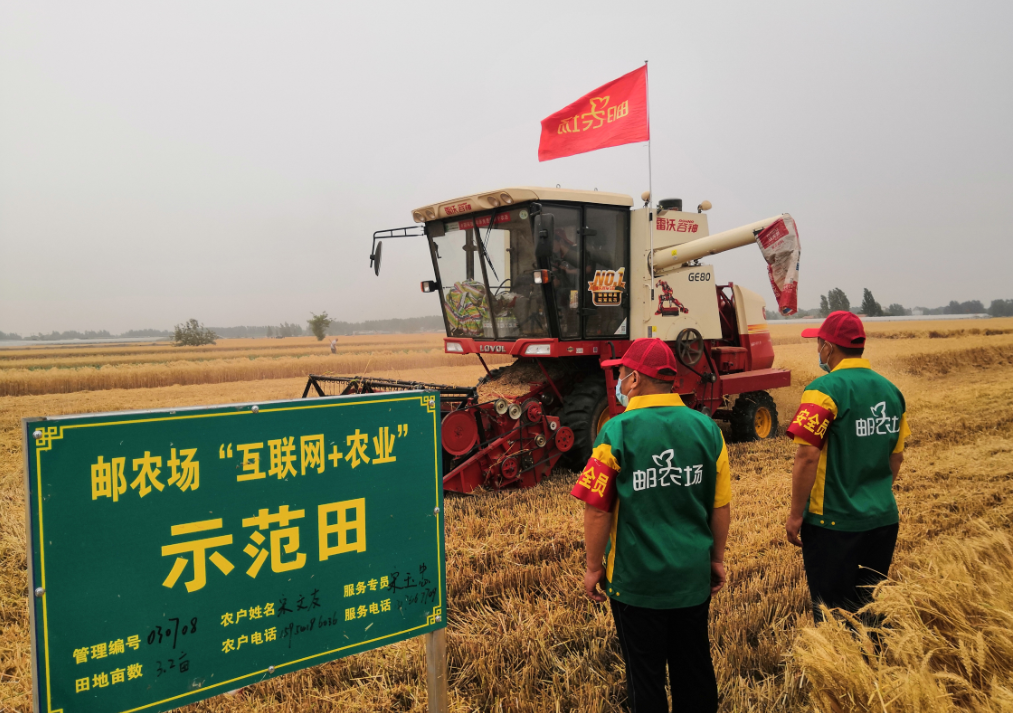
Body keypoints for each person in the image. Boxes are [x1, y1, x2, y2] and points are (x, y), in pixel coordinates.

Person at [572, 338, 731, 713]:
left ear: (635, 379)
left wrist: (593, 568)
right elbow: (720, 504)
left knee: (645, 678)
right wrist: (716, 559)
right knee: (694, 671)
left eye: (621, 374)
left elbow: (597, 509)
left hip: (635, 583)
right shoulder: (707, 430)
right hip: (691, 579)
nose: (619, 381)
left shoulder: (615, 432)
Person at [784, 311, 911, 623]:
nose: (817, 350)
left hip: (833, 524)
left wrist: (796, 514)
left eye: (818, 344)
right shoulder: (891, 392)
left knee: (834, 620)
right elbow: (896, 457)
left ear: (829, 347)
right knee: (869, 611)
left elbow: (807, 456)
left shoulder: (823, 390)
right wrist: (872, 495)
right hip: (882, 519)